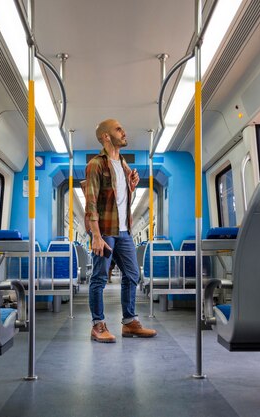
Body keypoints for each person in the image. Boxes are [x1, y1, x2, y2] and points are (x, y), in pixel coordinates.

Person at [85, 119, 157, 343]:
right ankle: (98, 325)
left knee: (133, 274)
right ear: (106, 136)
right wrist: (96, 235)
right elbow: (91, 203)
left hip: (124, 231)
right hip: (105, 231)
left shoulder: (125, 165)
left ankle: (129, 322)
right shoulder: (96, 164)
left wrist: (132, 187)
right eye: (118, 129)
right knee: (99, 277)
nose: (124, 132)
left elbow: (124, 201)